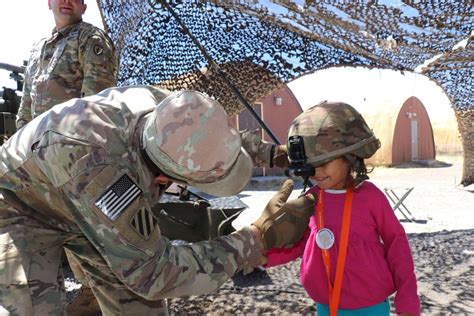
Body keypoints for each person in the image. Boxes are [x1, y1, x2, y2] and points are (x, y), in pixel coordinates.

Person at [0, 85, 316, 315]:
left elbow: (211, 131)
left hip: (76, 189)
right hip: (22, 205)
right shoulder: (105, 175)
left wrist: (272, 153)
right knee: (32, 307)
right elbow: (154, 274)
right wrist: (255, 240)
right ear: (165, 179)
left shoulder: (170, 108)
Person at [264, 101, 420, 316]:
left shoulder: (370, 198)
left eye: (324, 162)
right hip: (326, 306)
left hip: (370, 307)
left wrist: (407, 297)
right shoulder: (310, 201)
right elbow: (298, 243)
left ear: (350, 157)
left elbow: (396, 243)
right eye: (310, 164)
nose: (316, 172)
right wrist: (259, 255)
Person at [16, 0, 116, 129]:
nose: (67, 1)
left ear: (83, 8)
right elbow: (25, 109)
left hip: (74, 144)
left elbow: (97, 105)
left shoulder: (90, 39)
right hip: (37, 145)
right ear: (49, 3)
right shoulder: (39, 49)